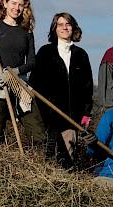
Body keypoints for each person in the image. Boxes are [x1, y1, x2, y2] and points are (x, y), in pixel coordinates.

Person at [0, 0, 45, 145]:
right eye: (13, 3)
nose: (17, 8)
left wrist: (15, 71)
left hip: (19, 82)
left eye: (20, 5)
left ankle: (37, 166)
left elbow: (32, 62)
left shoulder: (26, 31)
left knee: (40, 135)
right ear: (5, 3)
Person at [30, 12, 93, 167]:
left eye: (68, 24)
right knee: (48, 160)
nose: (64, 27)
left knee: (67, 162)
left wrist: (86, 116)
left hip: (72, 119)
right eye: (60, 24)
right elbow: (34, 83)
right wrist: (44, 110)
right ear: (54, 29)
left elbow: (87, 88)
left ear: (73, 28)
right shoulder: (45, 52)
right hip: (49, 119)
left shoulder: (81, 55)